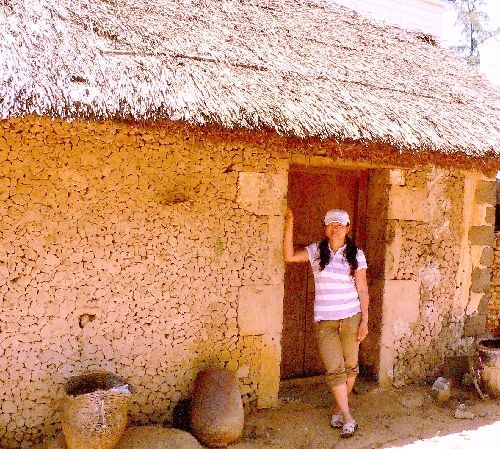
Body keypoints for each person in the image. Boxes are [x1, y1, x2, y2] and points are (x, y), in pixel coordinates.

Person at [283, 208, 369, 438]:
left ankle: (338, 409)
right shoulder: (316, 251)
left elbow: (362, 289)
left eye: (340, 224)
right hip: (325, 321)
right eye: (331, 224)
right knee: (334, 369)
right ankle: (348, 417)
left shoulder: (356, 254)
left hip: (351, 317)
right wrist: (289, 224)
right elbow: (289, 256)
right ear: (325, 228)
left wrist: (365, 321)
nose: (336, 228)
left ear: (348, 228)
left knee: (351, 367)